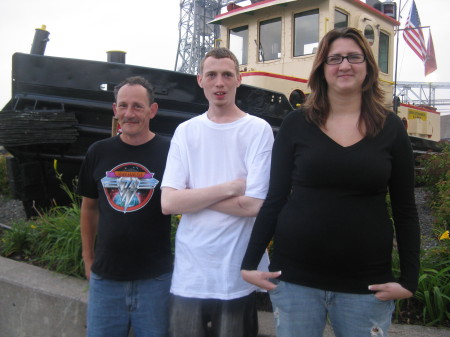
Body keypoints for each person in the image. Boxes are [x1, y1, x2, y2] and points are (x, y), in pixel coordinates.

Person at [241, 27, 420, 337]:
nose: (344, 65)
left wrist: (409, 280)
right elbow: (276, 198)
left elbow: (405, 210)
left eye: (354, 57)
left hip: (365, 285)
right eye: (334, 58)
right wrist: (249, 263)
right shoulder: (296, 124)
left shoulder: (391, 129)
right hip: (296, 281)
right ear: (322, 69)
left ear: (368, 66)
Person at [160, 47, 274, 337]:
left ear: (239, 79)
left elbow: (253, 206)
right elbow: (169, 202)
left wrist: (193, 196)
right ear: (200, 80)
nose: (219, 83)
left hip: (235, 272)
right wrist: (229, 187)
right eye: (211, 75)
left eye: (227, 75)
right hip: (190, 272)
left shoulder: (257, 130)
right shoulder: (186, 131)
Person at [77, 76, 172, 337]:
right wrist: (88, 258)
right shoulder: (98, 151)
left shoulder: (170, 151)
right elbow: (89, 209)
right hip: (105, 281)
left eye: (138, 106)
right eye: (123, 106)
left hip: (156, 281)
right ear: (115, 109)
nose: (129, 113)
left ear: (152, 110)